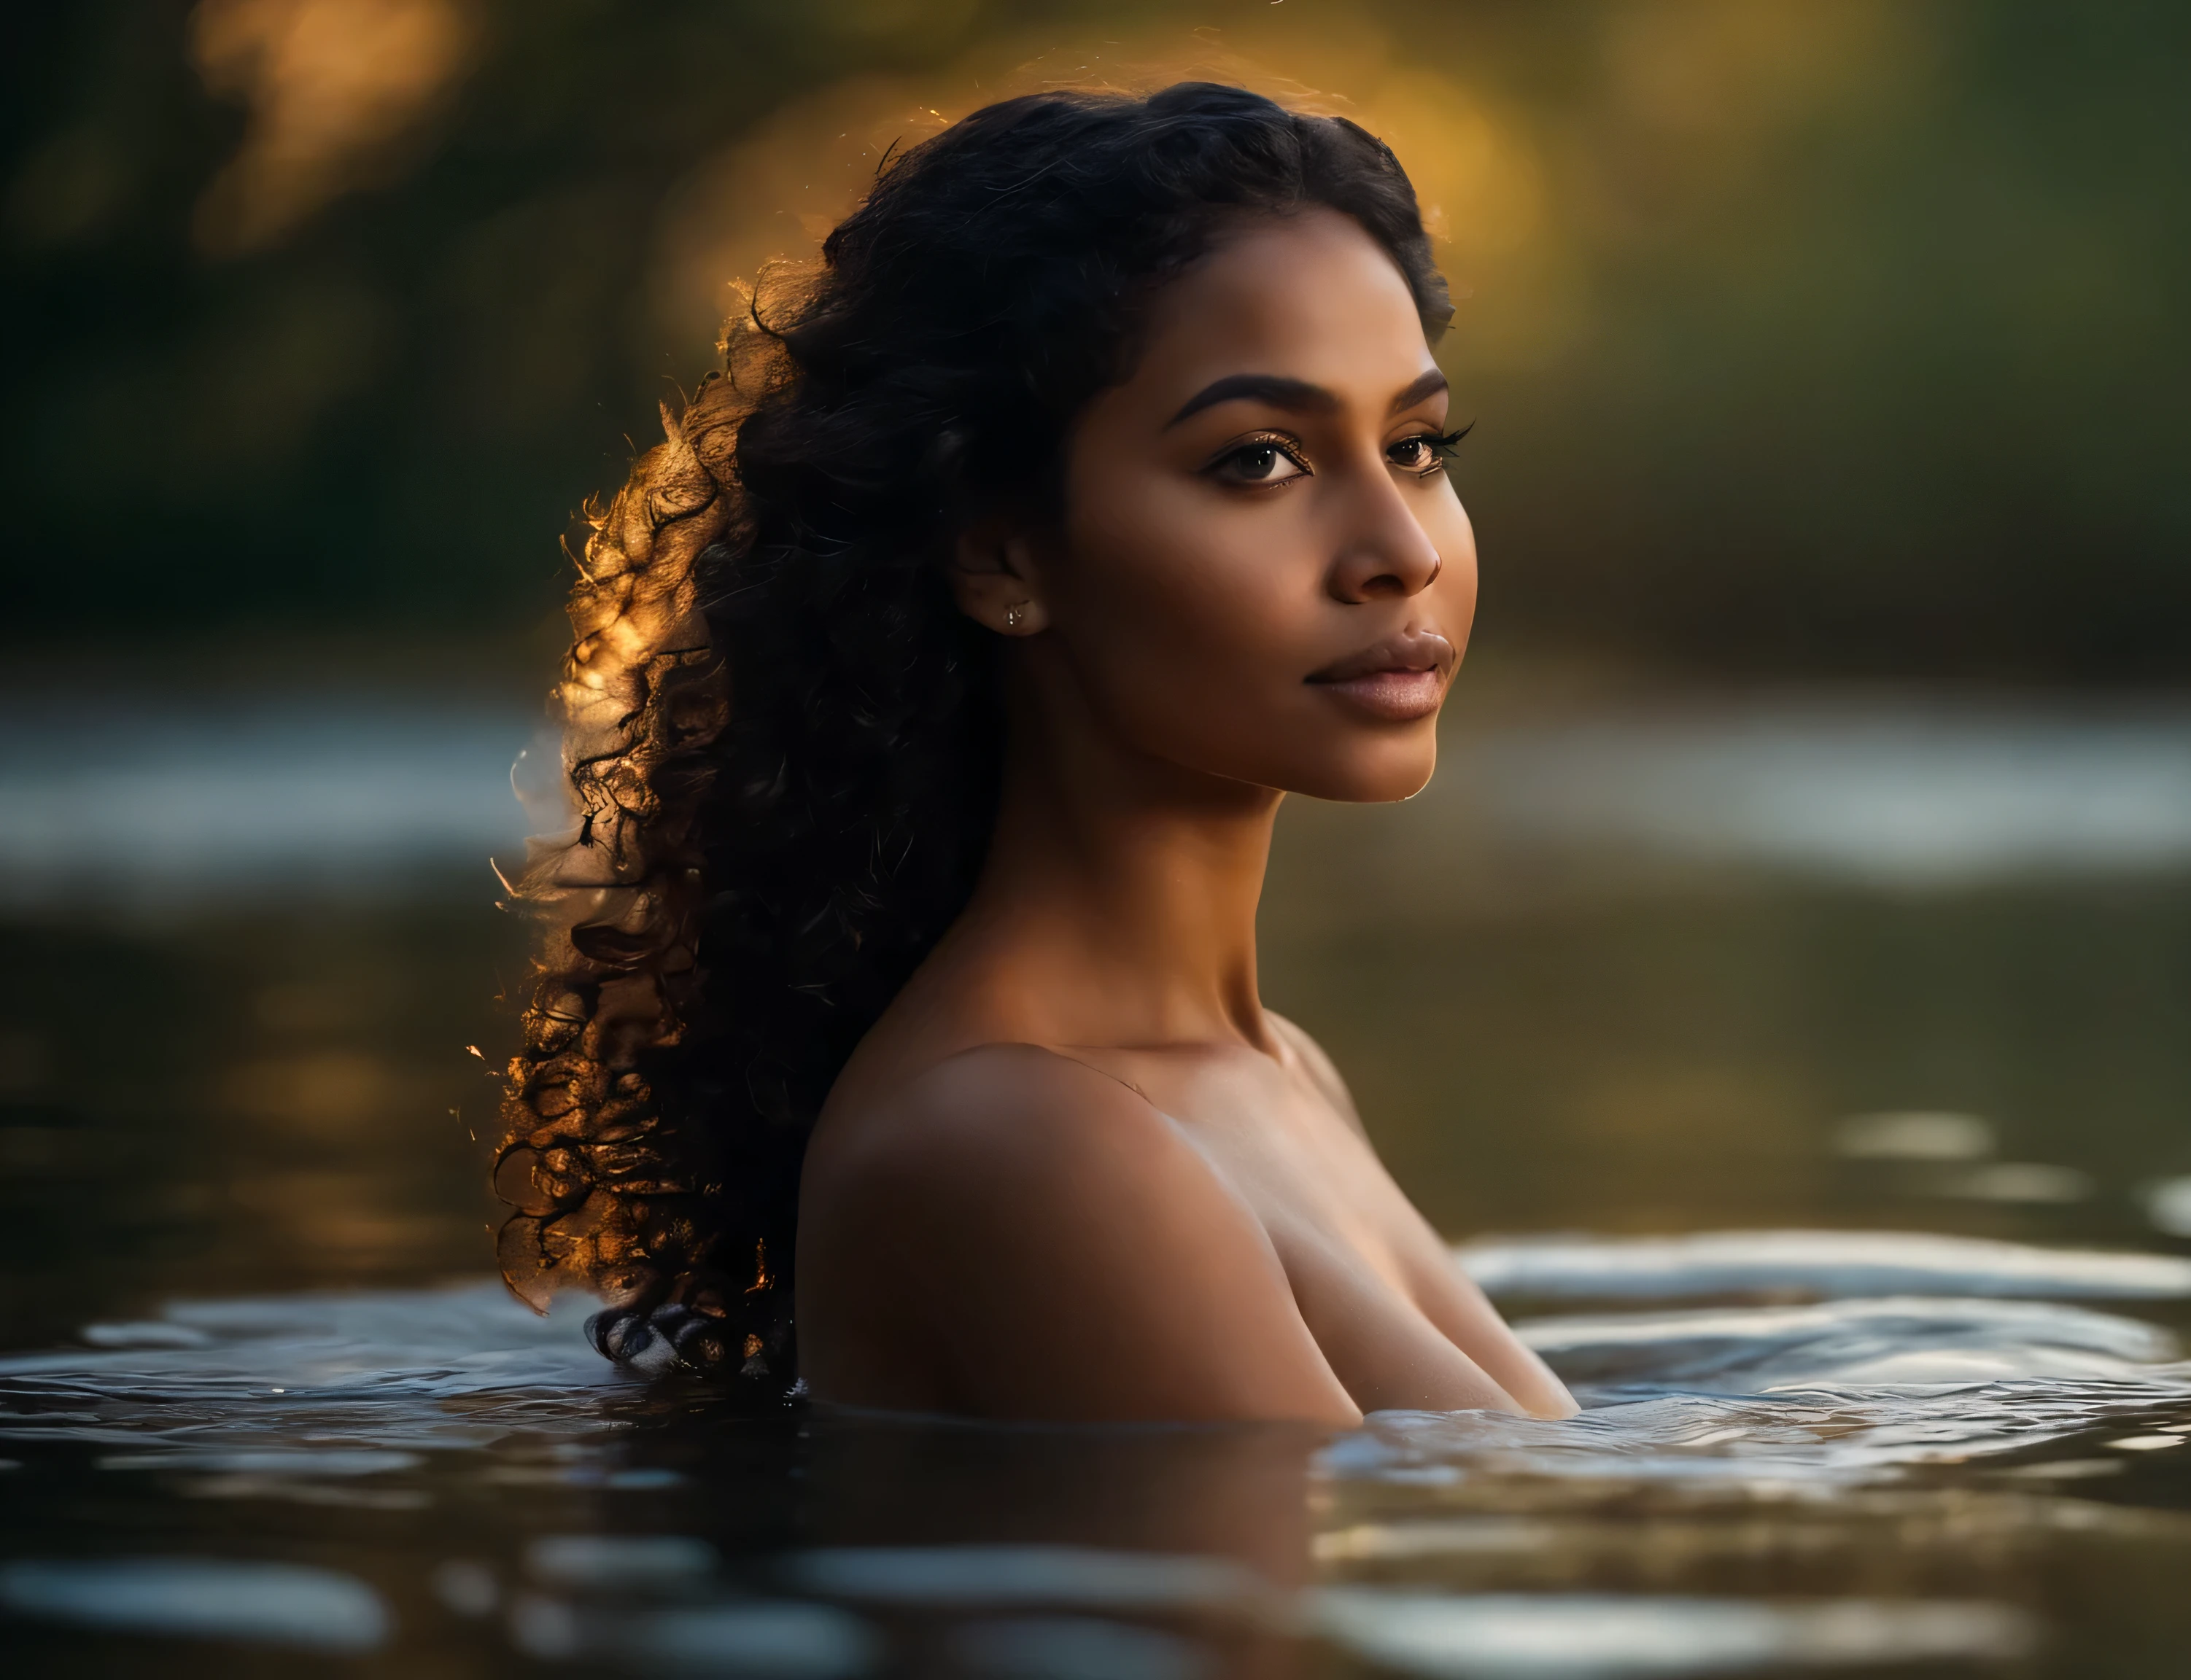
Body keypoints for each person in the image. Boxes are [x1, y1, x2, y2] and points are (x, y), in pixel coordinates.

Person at [491, 82, 1576, 1427]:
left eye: (1415, 445)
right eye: (1260, 462)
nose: (1401, 550)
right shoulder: (1017, 1141)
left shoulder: (1272, 1071)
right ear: (1001, 549)